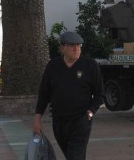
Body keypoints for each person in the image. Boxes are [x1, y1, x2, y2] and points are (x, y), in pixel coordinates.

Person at [33, 31, 104, 160]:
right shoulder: (53, 66)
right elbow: (44, 94)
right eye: (72, 46)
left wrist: (90, 113)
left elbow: (100, 94)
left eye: (78, 45)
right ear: (62, 48)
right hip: (59, 122)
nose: (76, 48)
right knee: (71, 155)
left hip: (81, 121)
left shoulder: (90, 65)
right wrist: (37, 119)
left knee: (75, 156)